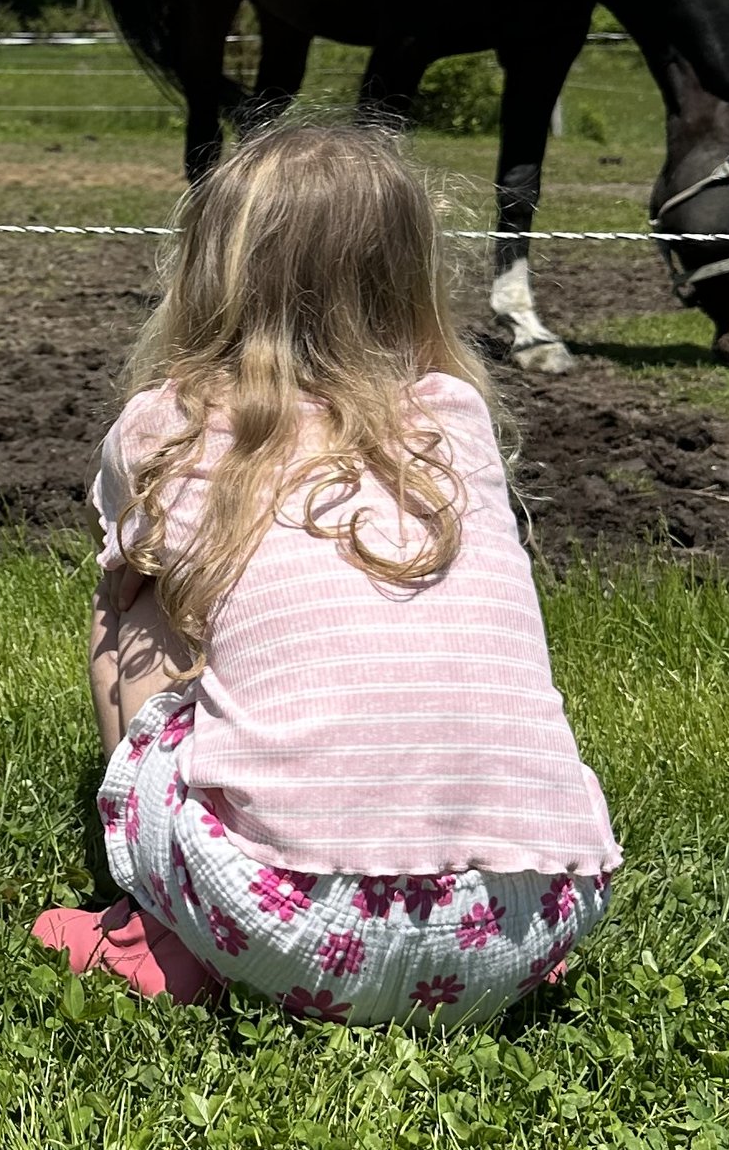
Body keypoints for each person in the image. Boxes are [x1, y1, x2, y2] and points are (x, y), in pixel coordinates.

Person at [35, 120, 618, 1025]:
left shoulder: (168, 426)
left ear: (208, 271)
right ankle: (466, 947)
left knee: (132, 602)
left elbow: (131, 585)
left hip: (285, 924)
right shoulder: (454, 416)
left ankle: (154, 926)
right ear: (412, 278)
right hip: (538, 914)